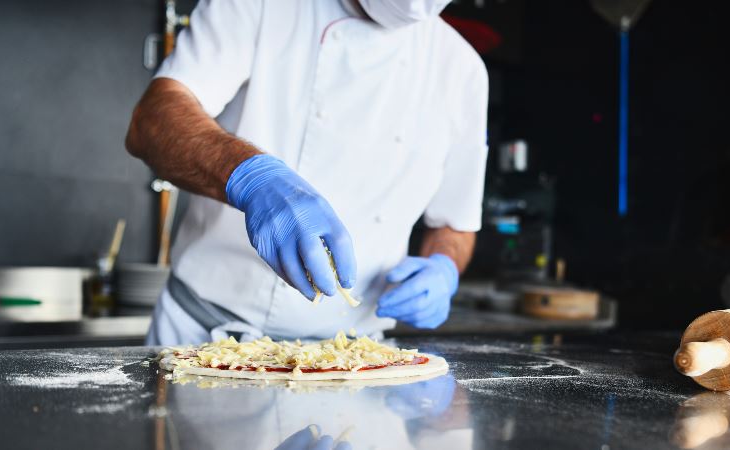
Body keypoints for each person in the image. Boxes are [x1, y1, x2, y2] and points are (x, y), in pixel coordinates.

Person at [126, 0, 489, 345]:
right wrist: (252, 177)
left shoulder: (462, 71)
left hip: (354, 361)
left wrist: (443, 266)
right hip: (204, 334)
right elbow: (153, 122)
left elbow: (454, 224)